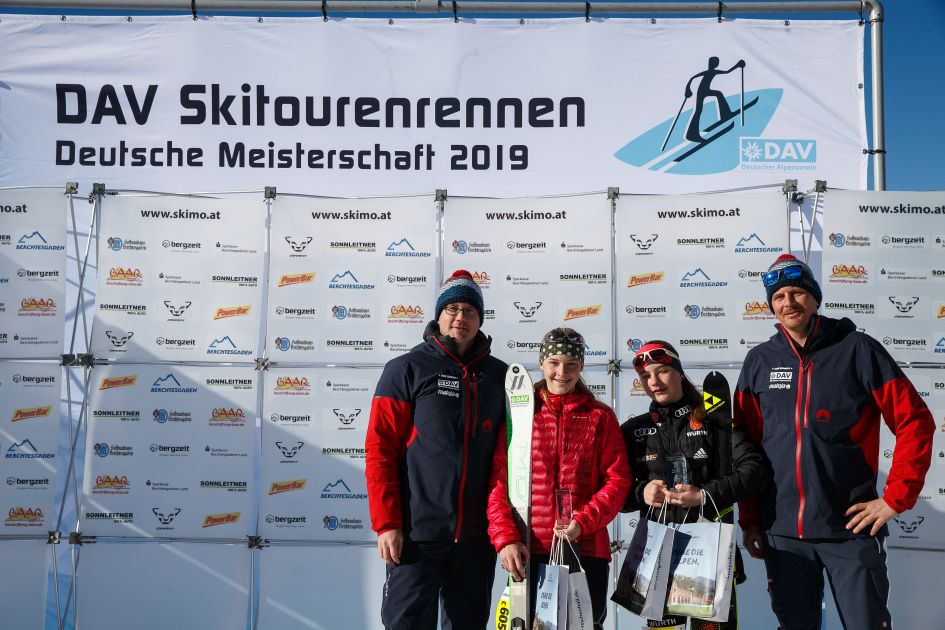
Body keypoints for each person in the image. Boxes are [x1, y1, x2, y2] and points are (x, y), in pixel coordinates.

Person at [735, 254, 936, 630]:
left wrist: (895, 499)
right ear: (771, 306)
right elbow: (746, 448)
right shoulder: (759, 361)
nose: (788, 302)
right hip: (782, 533)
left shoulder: (858, 349)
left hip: (850, 530)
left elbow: (915, 421)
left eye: (797, 293)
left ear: (814, 297)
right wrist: (750, 520)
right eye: (778, 296)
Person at [365, 269, 508, 630]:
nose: (461, 317)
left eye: (471, 311)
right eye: (453, 309)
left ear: (481, 319)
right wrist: (387, 523)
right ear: (439, 315)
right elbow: (380, 451)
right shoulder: (406, 369)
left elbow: (513, 459)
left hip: (476, 538)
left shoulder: (501, 377)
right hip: (416, 535)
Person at [618, 340, 769, 629]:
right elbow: (614, 491)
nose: (654, 382)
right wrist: (641, 492)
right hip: (658, 559)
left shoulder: (715, 422)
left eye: (662, 371)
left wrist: (703, 495)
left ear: (679, 372)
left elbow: (755, 472)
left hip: (710, 557)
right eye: (645, 377)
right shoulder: (633, 431)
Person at [487, 327, 631, 630]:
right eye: (554, 362)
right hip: (529, 548)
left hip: (585, 549)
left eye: (571, 364)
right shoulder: (522, 414)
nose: (561, 372)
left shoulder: (600, 416)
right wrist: (506, 538)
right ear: (542, 363)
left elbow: (617, 482)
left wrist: (584, 522)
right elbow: (499, 481)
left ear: (581, 367)